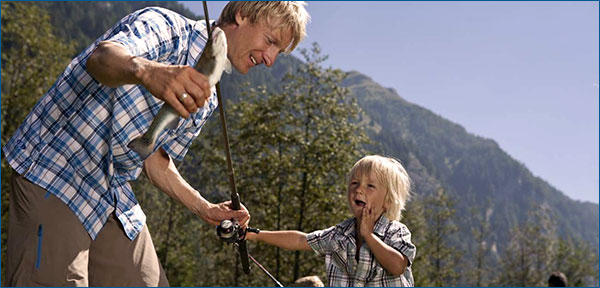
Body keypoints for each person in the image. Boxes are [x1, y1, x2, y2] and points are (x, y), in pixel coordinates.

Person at [3, 1, 310, 286]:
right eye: (270, 41)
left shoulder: (209, 98)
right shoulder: (166, 27)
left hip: (111, 196)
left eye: (278, 53)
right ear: (243, 15)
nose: (269, 60)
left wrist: (205, 208)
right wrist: (148, 71)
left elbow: (154, 159)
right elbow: (101, 57)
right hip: (57, 169)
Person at [246, 155, 416, 287]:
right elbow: (300, 240)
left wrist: (369, 235)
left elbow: (397, 266)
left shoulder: (396, 231)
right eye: (355, 183)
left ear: (388, 201)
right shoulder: (339, 234)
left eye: (370, 186)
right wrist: (254, 235)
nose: (358, 189)